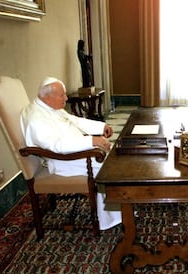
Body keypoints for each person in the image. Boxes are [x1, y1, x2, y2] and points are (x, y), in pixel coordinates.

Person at [20, 77, 121, 230]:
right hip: (63, 161)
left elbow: (74, 121)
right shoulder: (36, 119)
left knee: (116, 154)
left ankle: (122, 205)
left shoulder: (49, 107)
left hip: (74, 152)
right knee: (110, 166)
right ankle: (111, 217)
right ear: (47, 97)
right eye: (62, 95)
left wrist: (101, 127)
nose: (66, 98)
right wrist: (91, 142)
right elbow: (56, 145)